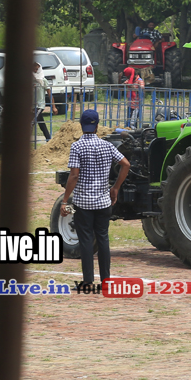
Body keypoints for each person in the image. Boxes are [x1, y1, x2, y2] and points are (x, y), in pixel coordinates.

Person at [61, 109, 131, 290]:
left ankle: (87, 280)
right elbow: (126, 164)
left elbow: (74, 175)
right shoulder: (107, 146)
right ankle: (106, 280)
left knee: (85, 240)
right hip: (103, 202)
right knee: (103, 239)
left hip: (83, 203)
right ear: (97, 126)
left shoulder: (77, 147)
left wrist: (65, 200)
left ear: (81, 126)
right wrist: (115, 187)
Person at [32, 61, 52, 142]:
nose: (35, 71)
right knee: (41, 123)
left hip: (40, 105)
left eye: (37, 69)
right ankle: (48, 139)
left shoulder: (43, 80)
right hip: (32, 105)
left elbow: (49, 93)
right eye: (34, 69)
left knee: (32, 122)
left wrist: (53, 106)